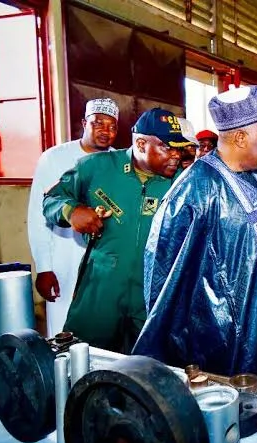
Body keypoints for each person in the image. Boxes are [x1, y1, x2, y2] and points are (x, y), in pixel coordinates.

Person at [133, 86, 257, 396]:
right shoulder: (194, 190)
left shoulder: (254, 175)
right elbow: (163, 279)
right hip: (226, 336)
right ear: (240, 138)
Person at [42, 108, 188, 353]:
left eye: (179, 148)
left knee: (148, 365)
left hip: (152, 293)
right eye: (168, 147)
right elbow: (51, 199)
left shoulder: (182, 182)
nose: (176, 155)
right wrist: (72, 211)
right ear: (141, 144)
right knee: (85, 357)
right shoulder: (95, 167)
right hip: (101, 287)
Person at [28, 98, 119, 337]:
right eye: (98, 123)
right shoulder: (54, 158)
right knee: (62, 331)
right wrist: (44, 268)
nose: (105, 131)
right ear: (84, 123)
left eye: (112, 126)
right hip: (63, 259)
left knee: (103, 333)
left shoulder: (121, 163)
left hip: (105, 264)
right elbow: (38, 217)